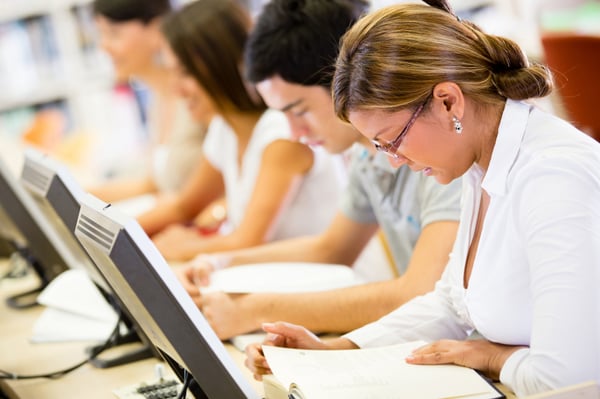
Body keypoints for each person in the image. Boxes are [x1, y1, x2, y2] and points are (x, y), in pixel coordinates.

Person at [245, 0, 600, 396]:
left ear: (448, 101)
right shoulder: (482, 159)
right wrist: (336, 350)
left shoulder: (553, 178)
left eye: (393, 141)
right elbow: (452, 304)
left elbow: (571, 381)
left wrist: (493, 356)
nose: (395, 162)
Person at [175, 0, 462, 340]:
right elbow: (330, 249)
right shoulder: (367, 156)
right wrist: (219, 263)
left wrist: (253, 310)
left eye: (299, 110)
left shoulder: (437, 147)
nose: (295, 132)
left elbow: (419, 292)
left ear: (344, 82)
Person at [137, 0, 347, 261]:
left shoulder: (281, 132)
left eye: (184, 73)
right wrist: (122, 231)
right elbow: (185, 206)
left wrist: (171, 248)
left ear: (219, 64)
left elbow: (248, 240)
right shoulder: (224, 129)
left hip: (317, 279)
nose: (175, 89)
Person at [91, 0, 206, 203]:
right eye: (101, 34)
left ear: (157, 29)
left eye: (113, 33)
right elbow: (152, 184)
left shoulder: (197, 96)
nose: (104, 46)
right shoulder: (158, 99)